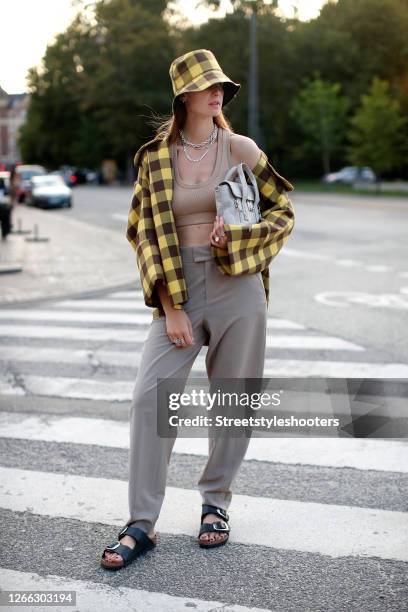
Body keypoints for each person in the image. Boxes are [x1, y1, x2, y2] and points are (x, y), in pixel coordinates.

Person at [101, 49, 295, 570]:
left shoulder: (240, 148)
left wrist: (238, 236)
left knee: (234, 399)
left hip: (239, 285)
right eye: (208, 87)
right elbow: (142, 233)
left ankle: (216, 502)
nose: (218, 94)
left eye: (221, 88)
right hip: (178, 287)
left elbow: (283, 210)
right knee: (150, 398)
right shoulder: (154, 158)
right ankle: (142, 523)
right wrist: (171, 306)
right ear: (183, 96)